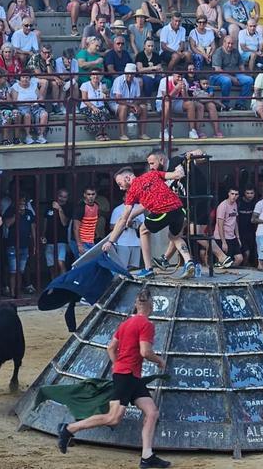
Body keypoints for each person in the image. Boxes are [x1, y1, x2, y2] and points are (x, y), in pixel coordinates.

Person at [57, 289, 171, 469]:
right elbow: (145, 352)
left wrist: (118, 365)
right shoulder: (146, 324)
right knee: (113, 418)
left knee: (152, 412)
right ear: (151, 305)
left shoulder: (125, 324)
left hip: (129, 375)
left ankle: (147, 456)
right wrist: (159, 361)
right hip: (128, 376)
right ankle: (69, 429)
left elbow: (110, 348)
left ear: (136, 305)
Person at [103, 166, 196, 279]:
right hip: (179, 209)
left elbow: (123, 218)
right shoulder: (151, 174)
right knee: (174, 236)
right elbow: (176, 175)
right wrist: (180, 169)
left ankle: (148, 269)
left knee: (143, 230)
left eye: (120, 183)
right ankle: (189, 262)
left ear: (127, 178)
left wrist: (111, 241)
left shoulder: (132, 191)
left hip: (163, 210)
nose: (121, 188)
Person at [4, 194, 37, 296]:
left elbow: (33, 229)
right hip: (12, 246)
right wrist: (17, 215)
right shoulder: (10, 211)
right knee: (13, 271)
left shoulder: (29, 213)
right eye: (20, 203)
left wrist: (34, 244)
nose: (22, 205)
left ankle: (18, 293)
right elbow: (7, 224)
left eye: (23, 203)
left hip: (25, 246)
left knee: (20, 271)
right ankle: (13, 294)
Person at [211, 36, 253, 111]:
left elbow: (241, 65)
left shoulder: (235, 51)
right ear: (224, 43)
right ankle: (225, 104)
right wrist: (232, 78)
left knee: (249, 80)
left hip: (234, 74)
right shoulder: (218, 52)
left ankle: (240, 103)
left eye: (232, 44)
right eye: (228, 43)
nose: (230, 45)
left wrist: (243, 75)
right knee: (227, 81)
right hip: (217, 76)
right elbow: (218, 70)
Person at [156, 71, 202, 139]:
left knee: (190, 104)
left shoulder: (184, 81)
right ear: (173, 75)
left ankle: (192, 131)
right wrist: (176, 89)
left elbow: (186, 99)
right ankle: (163, 131)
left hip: (176, 102)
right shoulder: (164, 80)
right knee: (167, 103)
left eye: (181, 77)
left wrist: (183, 91)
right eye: (178, 77)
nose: (180, 79)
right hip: (162, 102)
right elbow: (166, 98)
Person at [110, 63, 149, 140]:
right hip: (116, 104)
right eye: (128, 74)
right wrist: (132, 105)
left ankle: (142, 134)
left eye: (132, 74)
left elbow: (137, 97)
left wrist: (134, 105)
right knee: (124, 108)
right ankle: (122, 134)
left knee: (143, 107)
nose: (130, 76)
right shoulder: (118, 80)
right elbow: (118, 99)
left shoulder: (136, 81)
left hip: (130, 103)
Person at [11, 71, 49, 144]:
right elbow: (14, 101)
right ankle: (28, 136)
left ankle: (41, 136)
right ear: (20, 78)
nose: (25, 79)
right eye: (23, 77)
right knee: (27, 115)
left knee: (44, 114)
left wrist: (37, 101)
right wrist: (27, 103)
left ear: (29, 79)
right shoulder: (15, 86)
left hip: (35, 106)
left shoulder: (33, 85)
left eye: (27, 77)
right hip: (22, 107)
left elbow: (40, 97)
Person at [42, 189, 70, 279]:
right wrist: (43, 235)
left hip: (61, 240)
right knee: (51, 265)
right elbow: (45, 223)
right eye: (61, 196)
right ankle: (54, 285)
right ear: (57, 196)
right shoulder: (49, 207)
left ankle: (63, 284)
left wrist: (59, 209)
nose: (62, 199)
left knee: (60, 262)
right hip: (49, 240)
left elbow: (65, 223)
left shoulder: (68, 208)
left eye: (65, 197)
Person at [109, 197, 145, 269]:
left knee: (134, 267)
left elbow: (144, 225)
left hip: (136, 243)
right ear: (123, 198)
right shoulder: (118, 209)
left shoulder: (139, 208)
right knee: (122, 266)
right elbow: (111, 226)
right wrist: (123, 225)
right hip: (122, 243)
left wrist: (134, 224)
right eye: (128, 196)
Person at [214, 187, 245, 267]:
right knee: (225, 261)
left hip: (232, 236)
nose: (234, 196)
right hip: (222, 237)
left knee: (239, 258)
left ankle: (230, 272)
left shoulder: (235, 204)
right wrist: (223, 242)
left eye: (236, 194)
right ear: (228, 194)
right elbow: (219, 224)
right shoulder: (223, 206)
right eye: (232, 194)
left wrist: (238, 237)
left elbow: (235, 222)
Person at [79, 70, 111, 141]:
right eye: (93, 74)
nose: (95, 76)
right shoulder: (85, 85)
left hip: (100, 106)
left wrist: (107, 96)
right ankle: (99, 134)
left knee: (106, 112)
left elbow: (106, 99)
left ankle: (103, 132)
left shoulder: (102, 85)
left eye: (97, 75)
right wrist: (93, 107)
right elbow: (84, 99)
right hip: (86, 106)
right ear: (90, 76)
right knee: (97, 113)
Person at [73, 185, 102, 257]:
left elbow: (94, 221)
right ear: (84, 195)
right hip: (81, 241)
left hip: (91, 240)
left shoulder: (96, 206)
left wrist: (96, 232)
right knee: (83, 264)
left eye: (93, 194)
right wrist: (79, 245)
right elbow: (75, 228)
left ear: (96, 195)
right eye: (88, 194)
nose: (91, 196)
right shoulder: (80, 207)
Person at [237, 185, 257, 267]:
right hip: (241, 233)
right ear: (244, 193)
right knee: (246, 253)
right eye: (247, 193)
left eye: (251, 193)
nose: (249, 195)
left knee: (251, 254)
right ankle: (244, 269)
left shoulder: (255, 204)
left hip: (252, 233)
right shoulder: (239, 203)